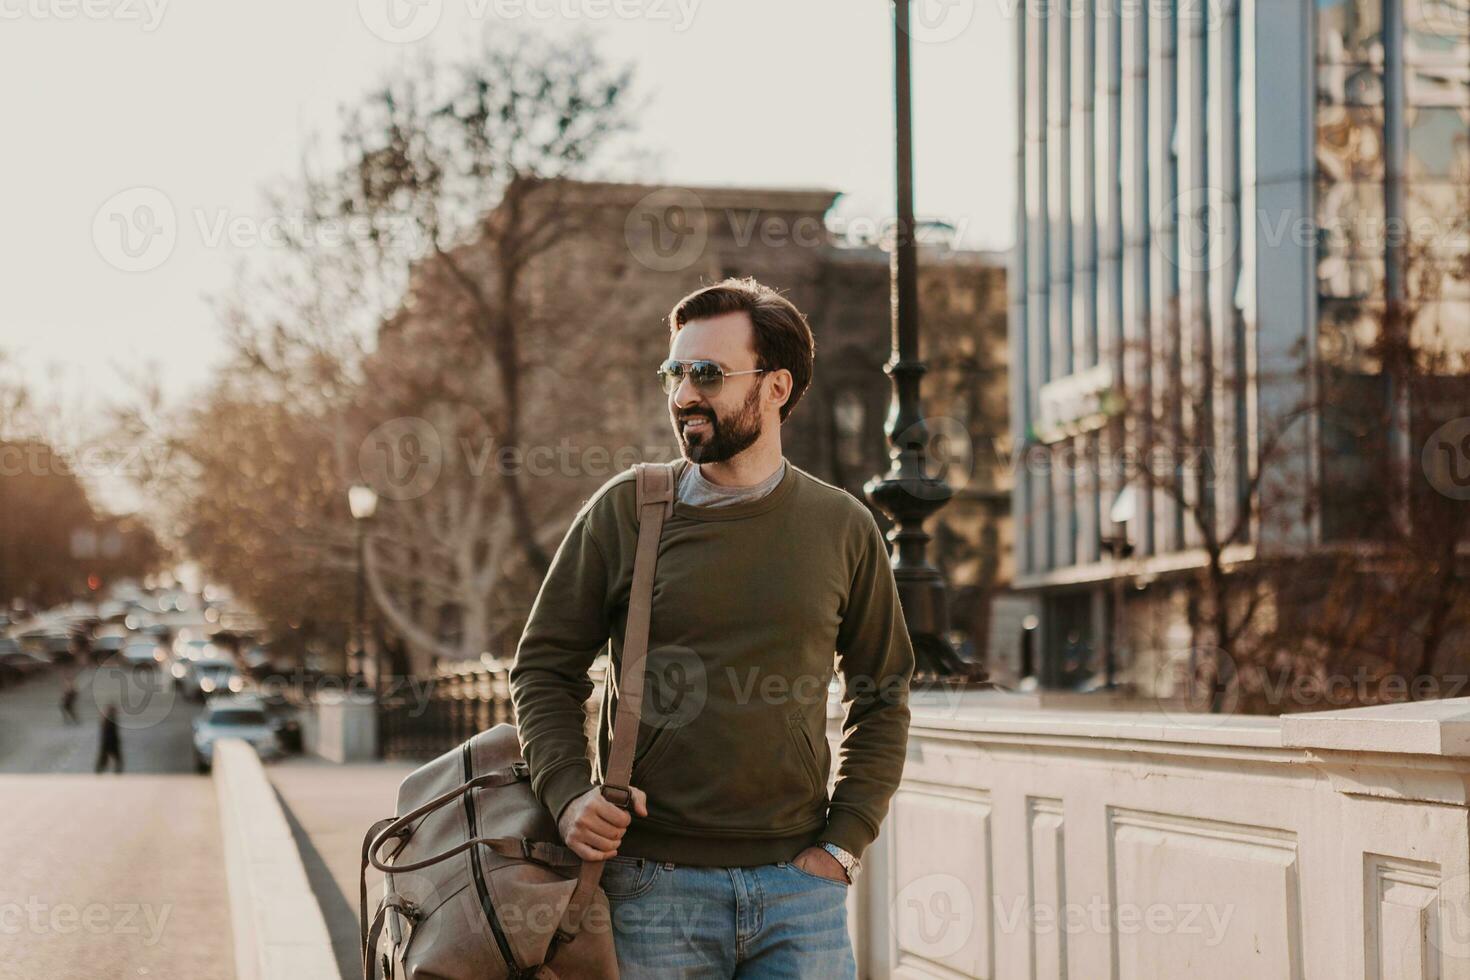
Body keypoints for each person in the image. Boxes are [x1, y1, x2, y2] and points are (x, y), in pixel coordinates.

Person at [510, 278, 915, 978]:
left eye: (707, 374)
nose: (683, 396)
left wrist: (842, 846)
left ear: (777, 387)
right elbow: (543, 668)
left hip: (802, 895)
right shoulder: (628, 512)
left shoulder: (844, 526)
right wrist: (568, 792)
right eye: (675, 373)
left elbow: (882, 695)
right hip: (649, 888)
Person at [95, 703, 123, 773]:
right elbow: (110, 733)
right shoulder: (109, 720)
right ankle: (99, 770)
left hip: (108, 742)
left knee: (105, 758)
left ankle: (100, 769)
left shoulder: (107, 719)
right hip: (110, 742)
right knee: (113, 758)